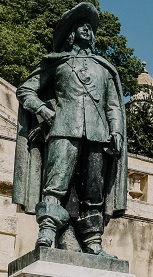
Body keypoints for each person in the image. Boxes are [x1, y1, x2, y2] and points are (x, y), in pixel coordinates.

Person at [13, 2, 128, 258]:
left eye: (90, 26)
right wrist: (43, 111)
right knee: (56, 185)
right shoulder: (58, 63)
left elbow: (113, 106)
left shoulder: (104, 69)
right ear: (71, 34)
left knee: (93, 193)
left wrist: (117, 131)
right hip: (63, 129)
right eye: (81, 25)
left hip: (98, 135)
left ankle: (93, 242)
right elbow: (25, 90)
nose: (86, 29)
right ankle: (47, 231)